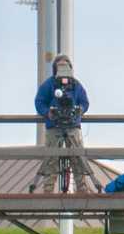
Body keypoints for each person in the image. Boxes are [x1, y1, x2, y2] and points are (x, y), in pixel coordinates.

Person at [28, 55, 92, 194]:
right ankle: (48, 191)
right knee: (51, 159)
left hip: (72, 125)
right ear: (55, 68)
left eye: (65, 65)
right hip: (54, 126)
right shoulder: (49, 85)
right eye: (60, 65)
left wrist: (80, 110)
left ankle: (82, 189)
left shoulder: (76, 85)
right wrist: (47, 113)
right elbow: (39, 102)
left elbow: (85, 102)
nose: (63, 68)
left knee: (78, 157)